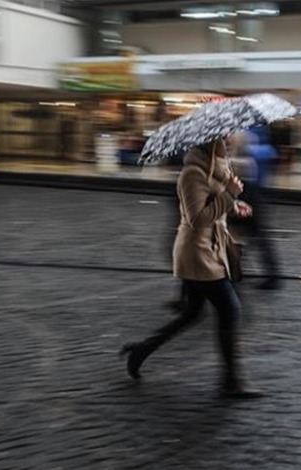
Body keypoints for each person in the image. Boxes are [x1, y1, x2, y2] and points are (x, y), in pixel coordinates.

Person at [119, 137, 262, 399]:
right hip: (197, 254)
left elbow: (214, 208)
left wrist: (233, 204)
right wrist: (229, 195)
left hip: (210, 250)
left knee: (192, 314)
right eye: (224, 138)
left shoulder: (218, 168)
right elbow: (197, 219)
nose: (229, 142)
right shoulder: (192, 174)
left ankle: (139, 352)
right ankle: (231, 382)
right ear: (210, 142)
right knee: (230, 309)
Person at [232, 127, 281, 290]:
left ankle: (235, 272)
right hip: (255, 194)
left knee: (241, 236)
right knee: (252, 237)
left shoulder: (241, 156)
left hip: (248, 196)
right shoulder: (252, 145)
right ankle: (270, 274)